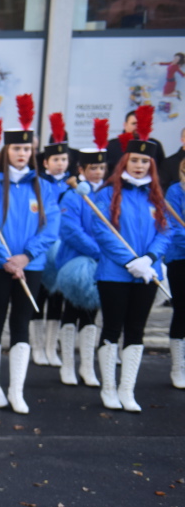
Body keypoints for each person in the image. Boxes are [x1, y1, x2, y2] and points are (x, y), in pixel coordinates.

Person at [0, 94, 61, 415]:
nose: (22, 154)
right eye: (16, 149)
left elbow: (51, 227)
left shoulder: (44, 187)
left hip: (30, 266)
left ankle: (16, 390)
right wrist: (6, 259)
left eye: (26, 149)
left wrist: (26, 257)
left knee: (22, 322)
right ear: (6, 151)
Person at [86, 106, 176, 411]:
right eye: (135, 160)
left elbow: (166, 232)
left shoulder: (157, 196)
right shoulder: (107, 194)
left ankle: (127, 390)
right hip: (114, 274)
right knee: (112, 328)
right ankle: (108, 388)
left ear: (152, 164)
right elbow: (103, 232)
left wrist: (148, 259)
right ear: (125, 161)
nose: (139, 166)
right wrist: (130, 262)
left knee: (136, 330)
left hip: (148, 273)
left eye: (145, 161)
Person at [55, 123, 108, 388]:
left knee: (91, 315)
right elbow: (70, 230)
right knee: (71, 312)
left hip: (102, 263)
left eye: (101, 168)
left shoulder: (108, 194)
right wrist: (98, 250)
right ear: (82, 170)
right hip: (75, 262)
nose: (97, 172)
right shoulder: (72, 196)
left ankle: (87, 365)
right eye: (93, 168)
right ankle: (67, 364)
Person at [31, 114, 73, 368]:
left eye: (64, 159)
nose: (60, 164)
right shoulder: (39, 184)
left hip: (64, 249)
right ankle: (37, 346)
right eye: (55, 160)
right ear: (46, 162)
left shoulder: (73, 186)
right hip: (42, 248)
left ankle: (50, 346)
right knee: (39, 296)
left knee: (58, 299)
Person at [166, 156, 185, 389]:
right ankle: (177, 367)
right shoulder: (175, 191)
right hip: (180, 258)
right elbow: (173, 228)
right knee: (182, 311)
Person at [106, 109, 165, 173]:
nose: (137, 127)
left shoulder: (154, 145)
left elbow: (161, 170)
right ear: (125, 125)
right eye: (134, 123)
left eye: (141, 124)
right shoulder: (112, 145)